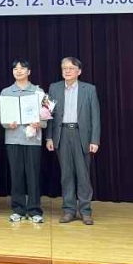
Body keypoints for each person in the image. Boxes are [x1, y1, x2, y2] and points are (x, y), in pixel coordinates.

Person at [46, 57, 101, 225]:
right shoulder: (54, 88)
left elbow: (95, 117)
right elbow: (48, 115)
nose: (67, 71)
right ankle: (69, 210)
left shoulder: (89, 89)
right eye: (64, 68)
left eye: (71, 68)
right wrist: (49, 137)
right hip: (61, 134)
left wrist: (95, 140)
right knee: (66, 175)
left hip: (81, 135)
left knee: (83, 175)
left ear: (79, 71)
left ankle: (85, 211)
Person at [0, 59, 46, 223]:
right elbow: (0, 113)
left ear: (29, 71)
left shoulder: (38, 91)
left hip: (32, 140)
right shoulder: (6, 92)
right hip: (13, 139)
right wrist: (7, 123)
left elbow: (46, 114)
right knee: (16, 175)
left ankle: (34, 210)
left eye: (22, 68)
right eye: (15, 68)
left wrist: (40, 123)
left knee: (33, 176)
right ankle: (18, 209)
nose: (18, 71)